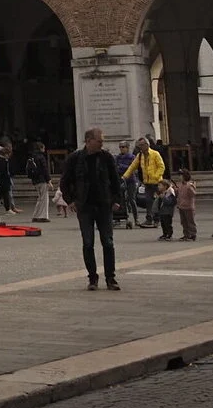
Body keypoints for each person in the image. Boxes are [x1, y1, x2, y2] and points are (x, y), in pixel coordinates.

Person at [60, 125, 122, 291]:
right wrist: (70, 200)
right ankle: (92, 278)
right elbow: (65, 181)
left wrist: (116, 199)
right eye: (99, 141)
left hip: (104, 204)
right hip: (84, 205)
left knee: (108, 242)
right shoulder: (75, 158)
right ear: (88, 141)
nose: (102, 144)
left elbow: (116, 180)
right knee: (88, 243)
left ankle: (111, 278)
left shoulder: (107, 157)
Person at [123, 137, 165, 226]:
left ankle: (157, 220)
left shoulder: (155, 154)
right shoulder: (140, 155)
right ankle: (149, 219)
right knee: (148, 201)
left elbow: (161, 167)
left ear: (147, 145)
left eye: (141, 145)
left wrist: (156, 176)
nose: (140, 147)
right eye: (139, 145)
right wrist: (124, 176)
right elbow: (132, 167)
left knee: (156, 202)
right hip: (147, 182)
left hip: (157, 183)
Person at [114, 142, 138, 229]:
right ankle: (118, 217)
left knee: (131, 199)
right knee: (120, 199)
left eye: (123, 147)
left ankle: (136, 219)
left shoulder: (132, 157)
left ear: (127, 148)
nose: (121, 148)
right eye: (120, 147)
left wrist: (121, 166)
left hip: (130, 180)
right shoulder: (118, 157)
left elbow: (132, 167)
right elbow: (115, 166)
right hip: (121, 180)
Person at [27, 142, 51, 222]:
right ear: (41, 148)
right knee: (44, 198)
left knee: (40, 198)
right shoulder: (41, 157)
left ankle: (36, 215)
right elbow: (44, 169)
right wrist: (48, 180)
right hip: (42, 179)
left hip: (35, 180)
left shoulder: (32, 157)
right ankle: (43, 216)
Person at [175, 168, 197, 241]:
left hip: (188, 207)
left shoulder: (189, 185)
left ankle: (192, 234)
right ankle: (186, 234)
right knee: (184, 222)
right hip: (181, 206)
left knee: (190, 221)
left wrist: (192, 187)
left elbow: (193, 194)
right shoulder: (180, 185)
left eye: (181, 175)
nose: (179, 177)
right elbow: (178, 194)